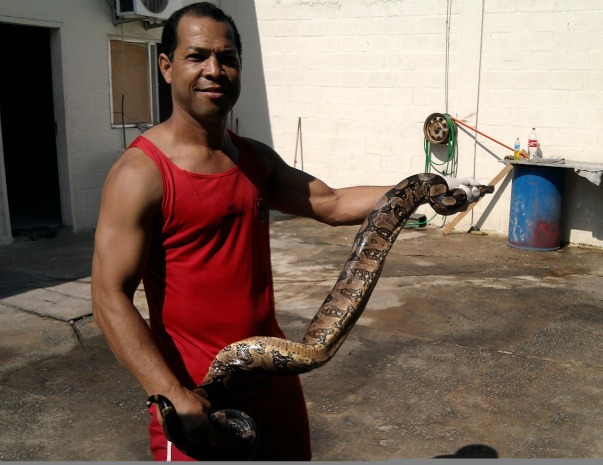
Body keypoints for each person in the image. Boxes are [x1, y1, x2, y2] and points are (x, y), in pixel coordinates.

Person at [91, 1, 482, 461]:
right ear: (166, 66)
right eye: (197, 56)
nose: (214, 70)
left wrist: (423, 185)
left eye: (228, 57)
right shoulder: (141, 173)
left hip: (273, 380)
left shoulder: (253, 160)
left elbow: (331, 202)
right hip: (198, 395)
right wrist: (169, 392)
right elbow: (108, 295)